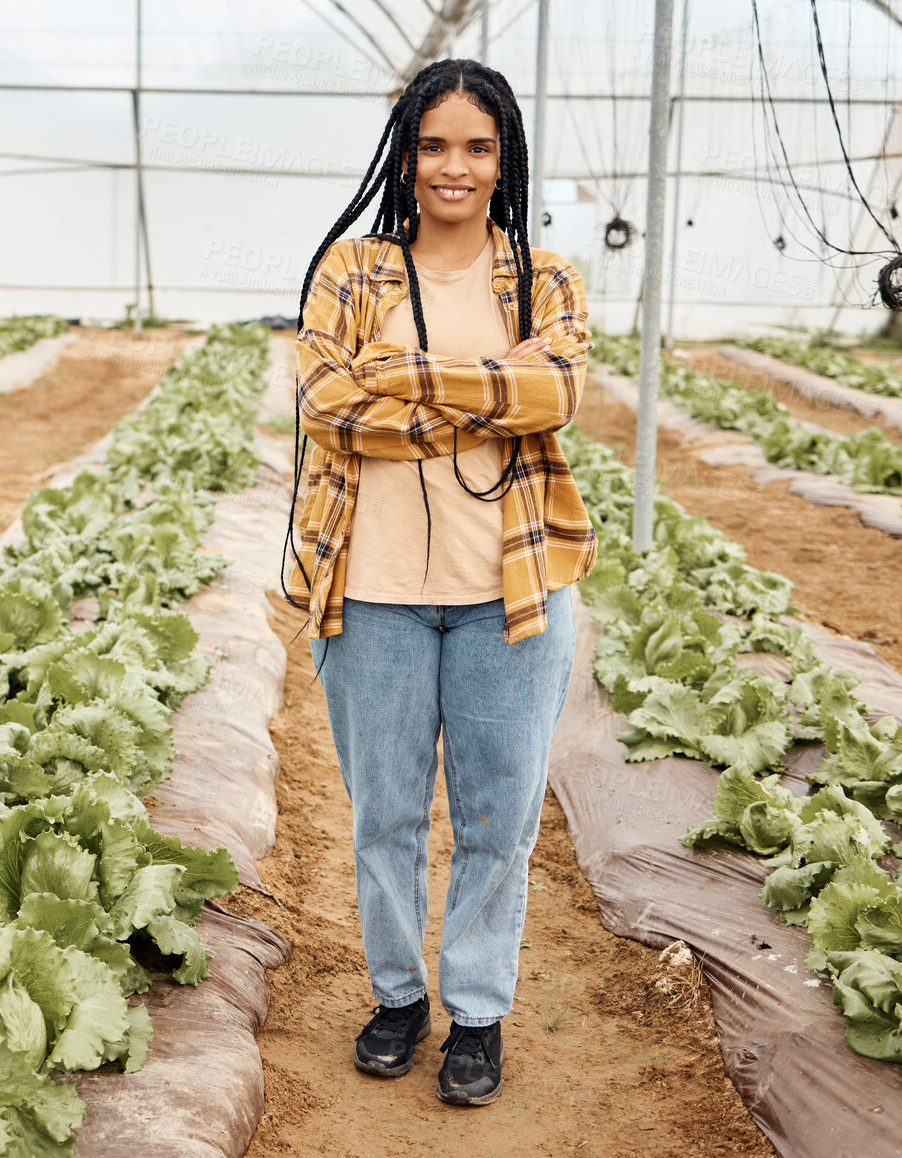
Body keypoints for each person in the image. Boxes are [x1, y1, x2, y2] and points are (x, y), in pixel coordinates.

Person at [281, 58, 598, 1107]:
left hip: (509, 593)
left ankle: (475, 1014)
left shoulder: (542, 278)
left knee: (497, 818)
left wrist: (404, 378)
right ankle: (396, 998)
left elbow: (550, 392)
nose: (451, 167)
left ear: (502, 160)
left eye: (475, 147)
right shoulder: (351, 270)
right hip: (370, 590)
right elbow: (328, 398)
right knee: (383, 814)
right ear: (403, 155)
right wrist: (481, 396)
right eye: (431, 146)